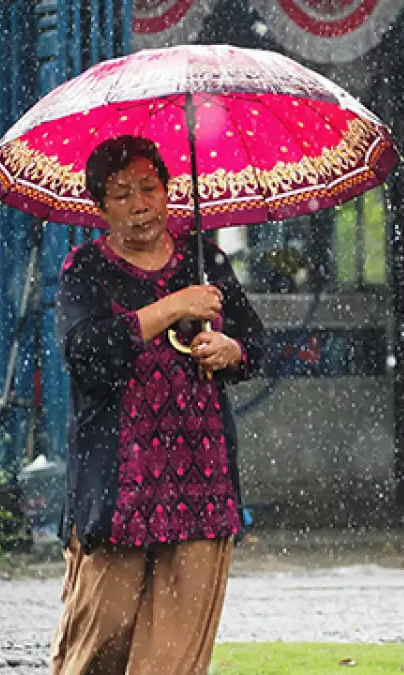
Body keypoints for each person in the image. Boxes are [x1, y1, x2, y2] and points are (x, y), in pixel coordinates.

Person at [50, 135, 264, 675]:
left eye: (149, 187)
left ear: (170, 192)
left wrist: (229, 349)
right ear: (99, 207)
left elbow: (255, 346)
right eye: (121, 194)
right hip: (120, 485)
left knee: (172, 657)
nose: (140, 204)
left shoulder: (206, 261)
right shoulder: (85, 269)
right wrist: (173, 307)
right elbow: (86, 355)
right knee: (99, 644)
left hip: (199, 482)